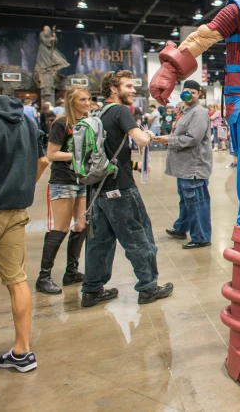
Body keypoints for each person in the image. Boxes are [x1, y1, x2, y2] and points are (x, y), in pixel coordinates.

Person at [81, 70, 173, 307]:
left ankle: (92, 290)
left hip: (98, 189)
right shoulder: (120, 111)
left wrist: (133, 163)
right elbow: (140, 140)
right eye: (128, 86)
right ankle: (148, 287)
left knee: (99, 242)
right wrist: (149, 134)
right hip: (121, 189)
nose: (133, 90)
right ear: (113, 89)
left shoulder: (97, 112)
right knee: (139, 238)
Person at [0, 94, 48, 373]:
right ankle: (22, 351)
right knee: (17, 281)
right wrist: (22, 189)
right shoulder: (26, 121)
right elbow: (42, 161)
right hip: (15, 210)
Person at [36, 84, 92, 295]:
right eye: (82, 100)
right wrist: (79, 155)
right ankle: (43, 277)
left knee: (80, 226)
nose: (87, 103)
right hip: (63, 181)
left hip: (82, 181)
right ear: (71, 101)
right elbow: (51, 154)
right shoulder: (61, 124)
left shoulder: (86, 123)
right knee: (59, 228)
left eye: (88, 99)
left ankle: (72, 272)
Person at [154, 80, 213, 249]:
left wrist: (169, 141)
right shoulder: (185, 111)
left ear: (199, 94)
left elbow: (193, 139)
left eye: (193, 92)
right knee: (186, 200)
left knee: (196, 203)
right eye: (186, 91)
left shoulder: (198, 113)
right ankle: (181, 227)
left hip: (193, 167)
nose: (189, 94)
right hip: (184, 167)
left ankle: (201, 237)